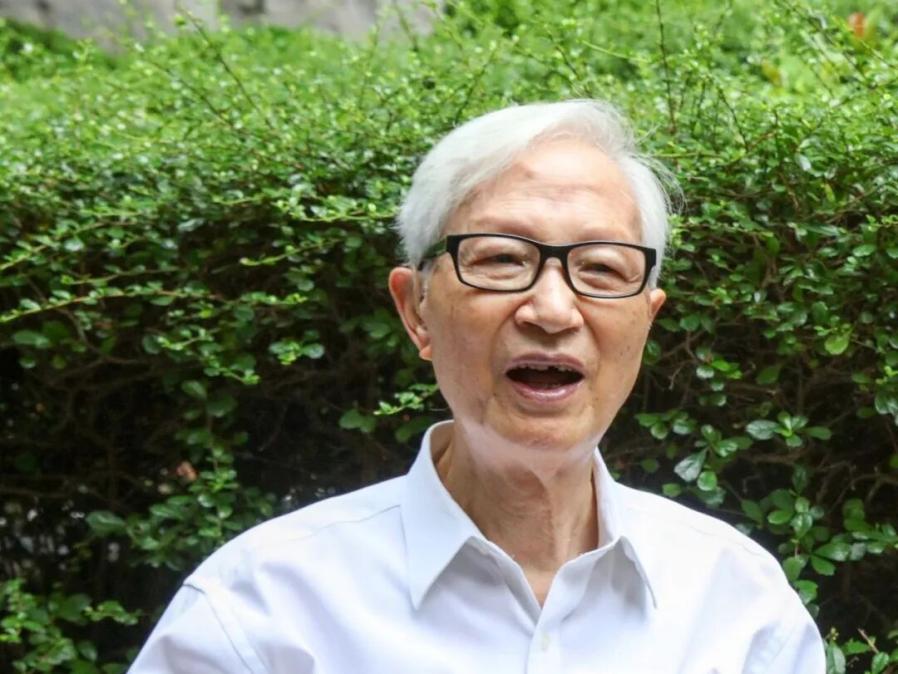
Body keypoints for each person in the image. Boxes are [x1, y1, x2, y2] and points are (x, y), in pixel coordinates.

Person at [128, 100, 825, 673]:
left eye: (602, 268)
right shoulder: (261, 610)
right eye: (501, 259)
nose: (552, 310)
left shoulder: (738, 604)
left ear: (646, 320)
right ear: (416, 309)